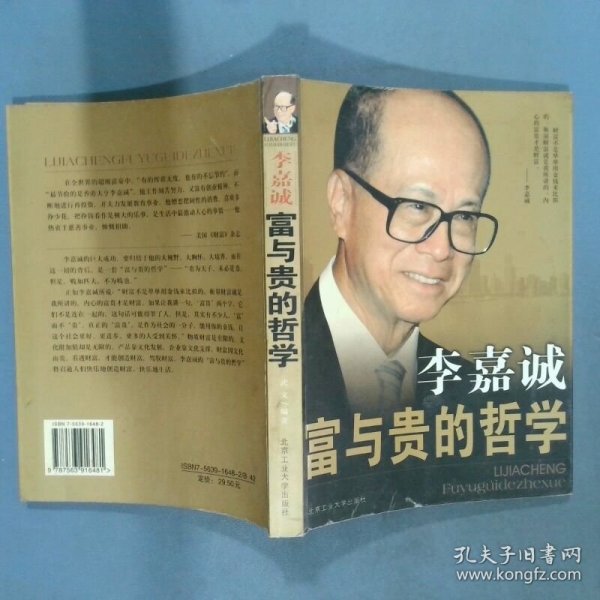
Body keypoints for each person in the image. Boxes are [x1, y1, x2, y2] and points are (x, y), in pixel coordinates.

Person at [303, 86, 499, 526]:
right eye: (416, 206)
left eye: (464, 216)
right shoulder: (258, 378)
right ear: (341, 203)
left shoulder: (483, 401)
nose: (442, 249)